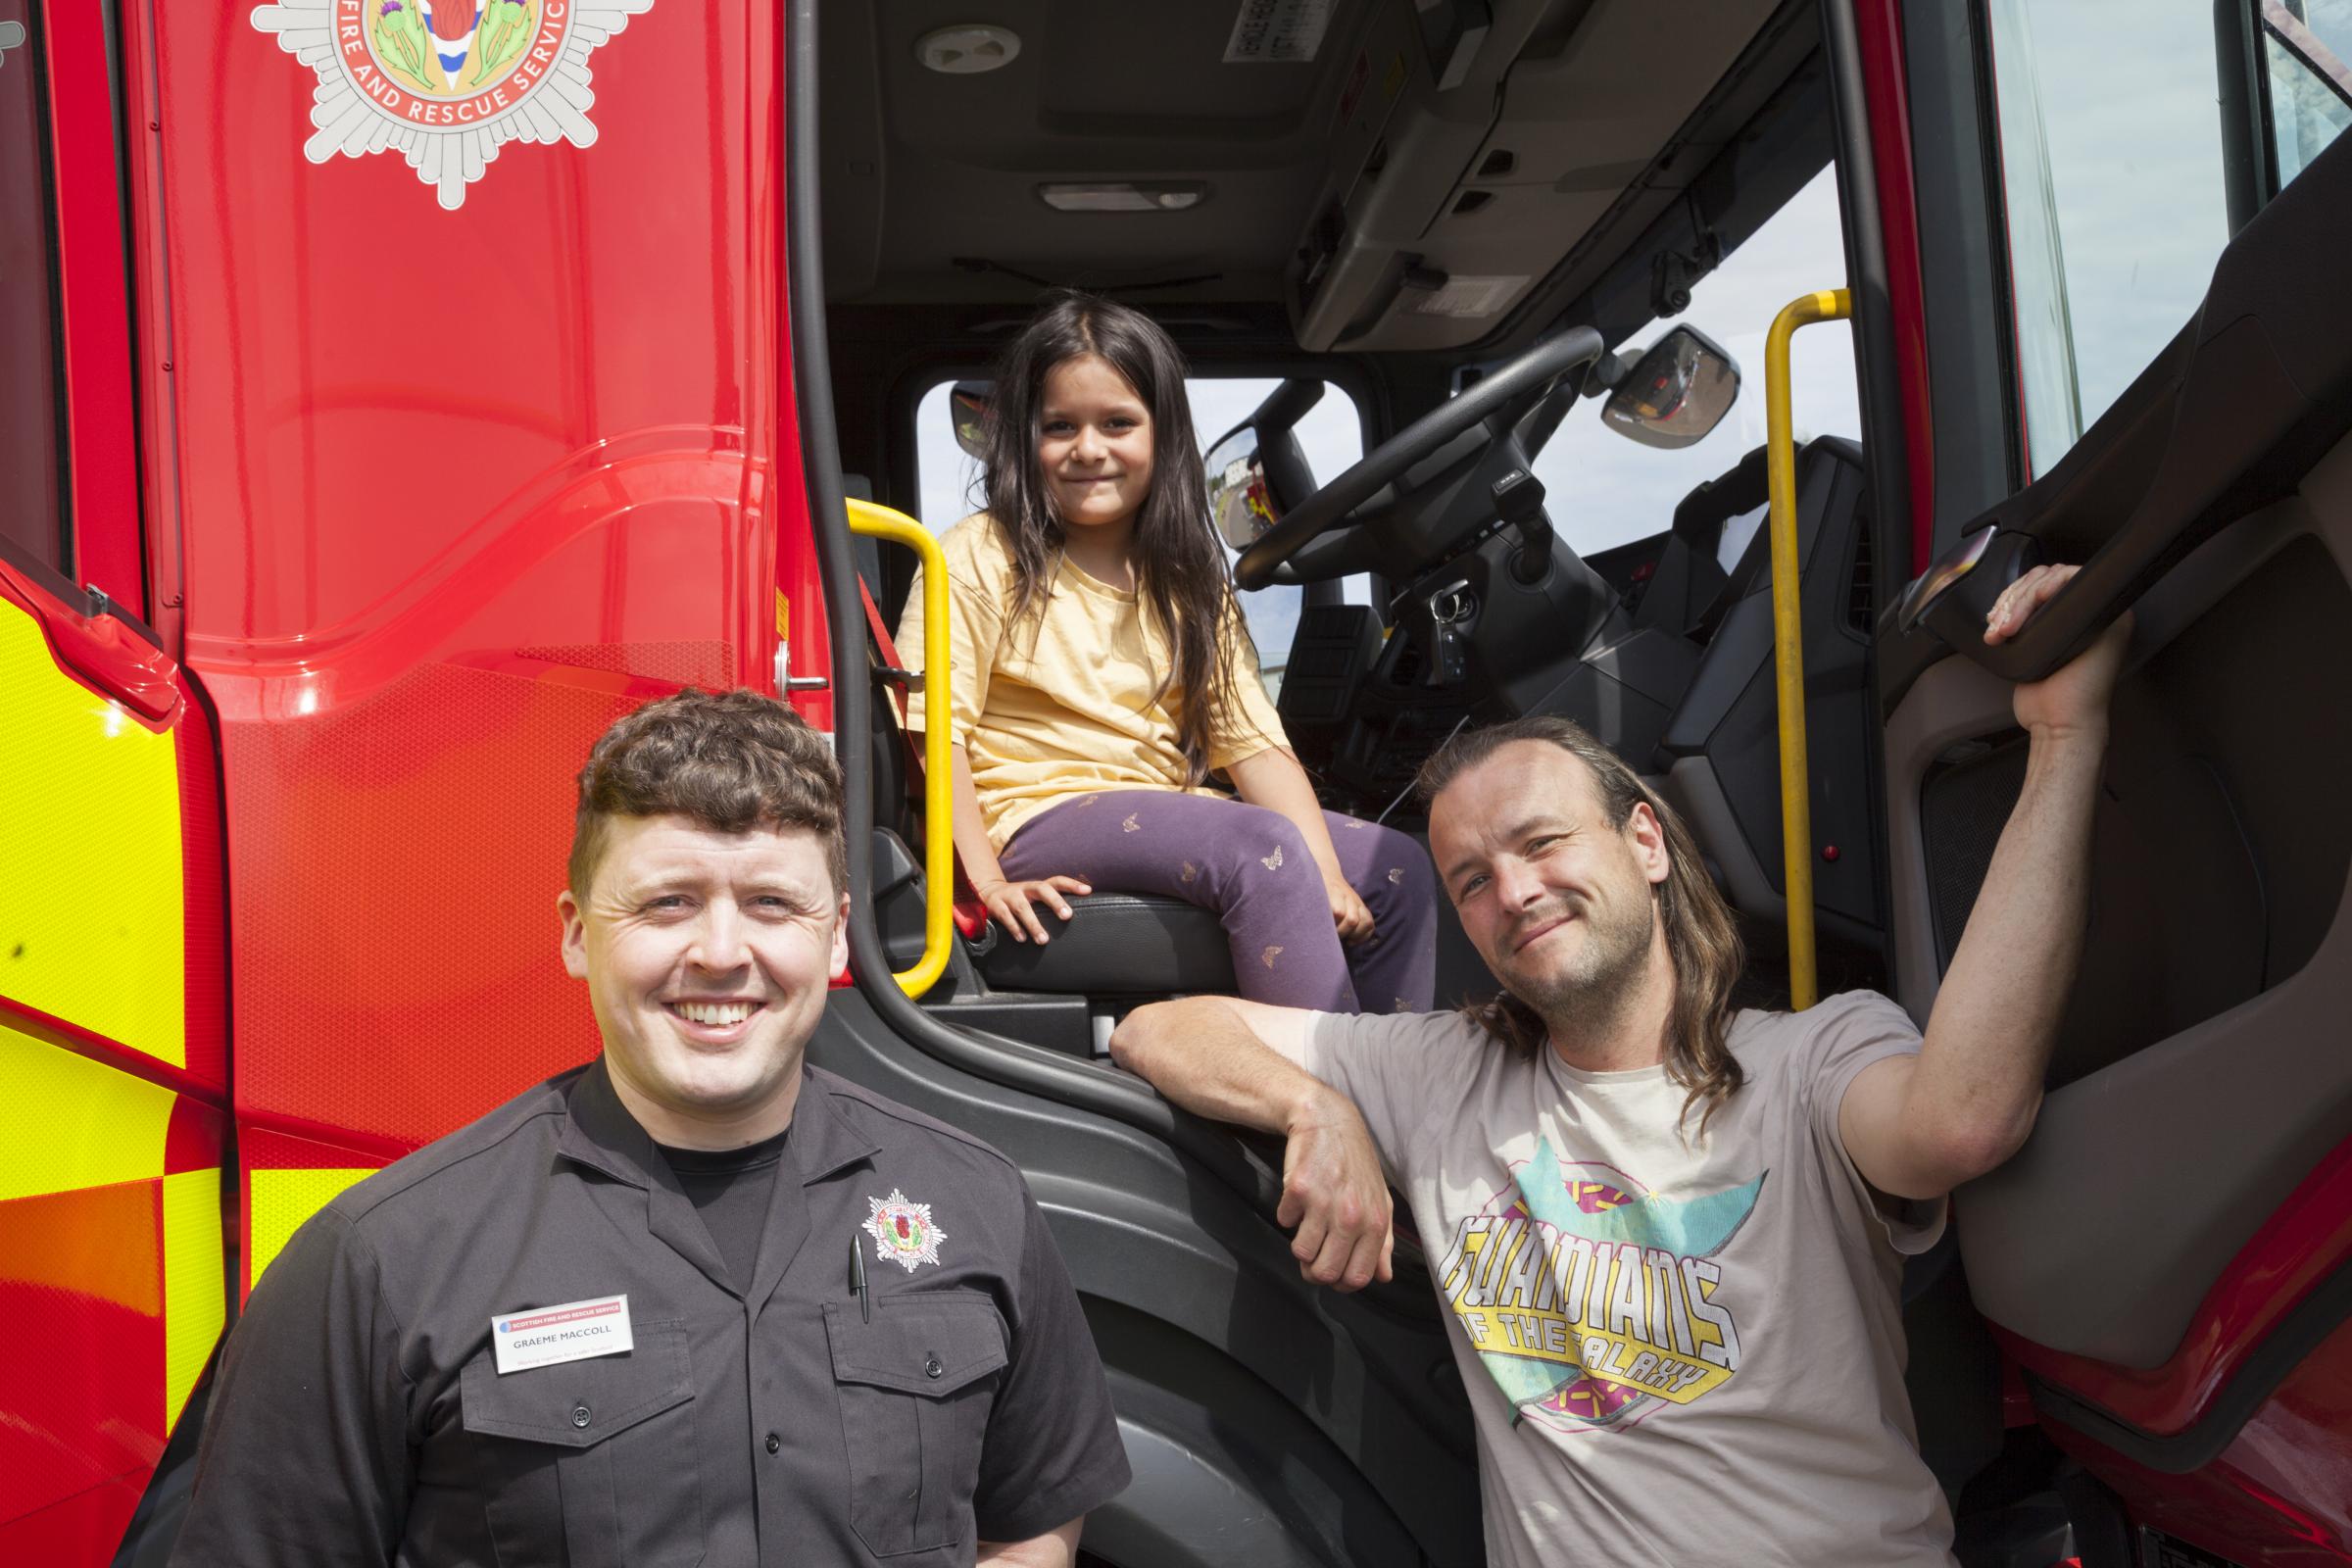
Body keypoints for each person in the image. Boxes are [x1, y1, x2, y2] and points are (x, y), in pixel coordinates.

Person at [1110, 564, 2127, 1565]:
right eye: (1471, 879)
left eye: (1543, 842)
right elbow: (1156, 1026)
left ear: (1645, 840)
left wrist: (2065, 738)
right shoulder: (1441, 1072)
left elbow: (1965, 1119)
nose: (1512, 890)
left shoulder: (1812, 1059)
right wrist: (1310, 1108)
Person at [170, 689, 1130, 1567]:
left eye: (770, 904)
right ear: (578, 931)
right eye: (668, 902)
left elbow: (1033, 1512)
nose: (720, 952)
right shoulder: (383, 1262)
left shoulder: (977, 1204)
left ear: (836, 935)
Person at [901, 291, 1435, 1014]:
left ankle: (1398, 1093)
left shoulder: (1187, 581)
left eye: (1117, 423)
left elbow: (1252, 746)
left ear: (1163, 436)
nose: (1088, 449)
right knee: (1262, 849)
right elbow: (939, 731)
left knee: (1393, 866)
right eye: (1060, 426)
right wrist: (985, 880)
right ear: (1025, 439)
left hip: (1159, 804)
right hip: (1033, 814)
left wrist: (1330, 871)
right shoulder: (979, 555)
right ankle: (1323, 1107)